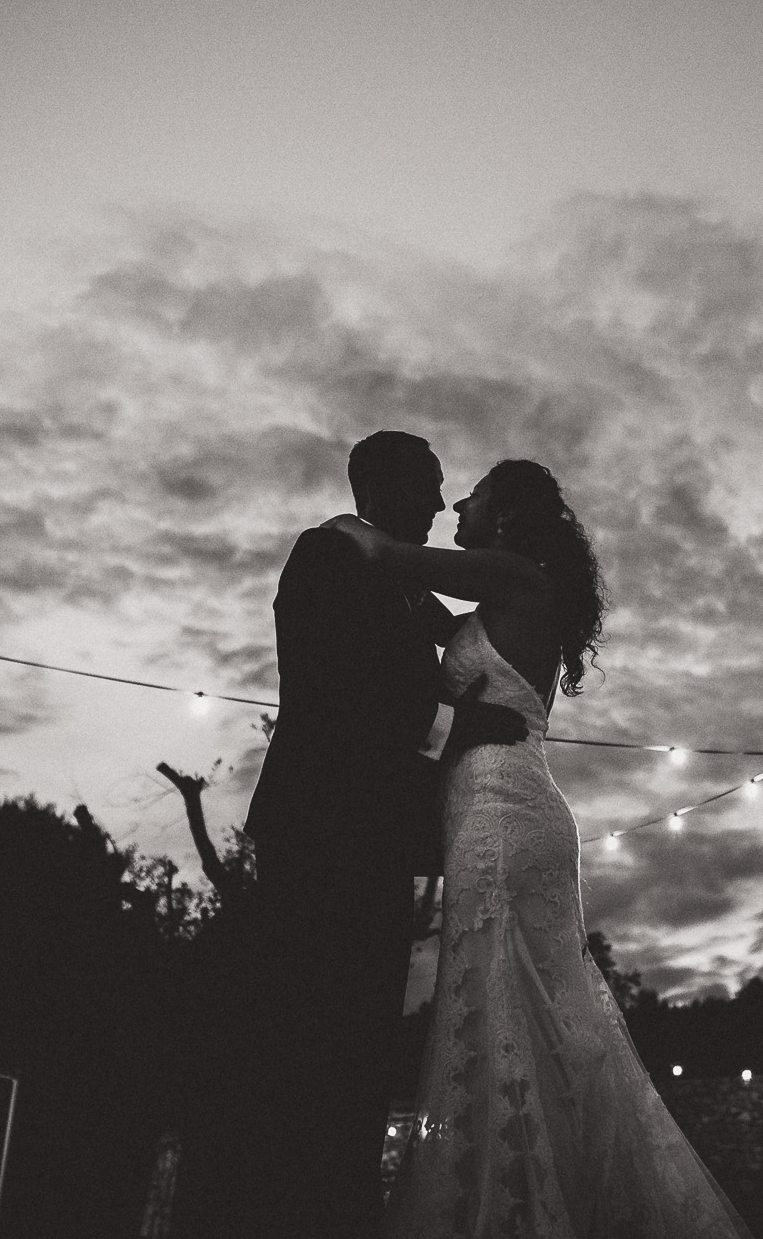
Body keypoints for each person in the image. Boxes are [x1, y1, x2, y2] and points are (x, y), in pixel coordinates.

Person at [324, 459, 755, 1237]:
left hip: (504, 812)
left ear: (508, 513)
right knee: (500, 1003)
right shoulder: (495, 602)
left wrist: (342, 525)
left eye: (475, 493)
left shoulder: (514, 573)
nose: (459, 500)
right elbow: (421, 613)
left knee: (505, 1003)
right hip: (484, 807)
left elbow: (386, 557)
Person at [226, 431, 533, 1239]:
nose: (439, 502)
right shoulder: (326, 556)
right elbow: (341, 688)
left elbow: (476, 618)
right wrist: (461, 720)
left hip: (376, 843)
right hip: (320, 833)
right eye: (430, 485)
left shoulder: (398, 582)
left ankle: (344, 1209)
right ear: (384, 485)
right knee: (309, 1036)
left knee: (362, 1045)